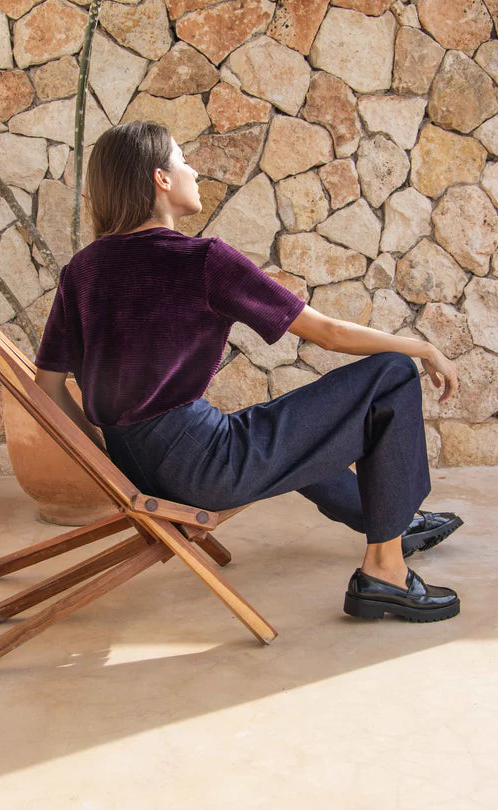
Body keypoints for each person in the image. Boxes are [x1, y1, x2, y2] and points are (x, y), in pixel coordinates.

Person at [35, 121, 463, 624]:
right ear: (161, 179)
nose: (193, 168)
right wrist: (421, 347)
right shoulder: (203, 260)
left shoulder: (83, 270)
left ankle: (391, 520)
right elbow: (327, 333)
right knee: (390, 374)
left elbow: (46, 388)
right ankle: (385, 571)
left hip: (140, 465)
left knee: (291, 427)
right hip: (202, 470)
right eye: (182, 158)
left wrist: (105, 456)